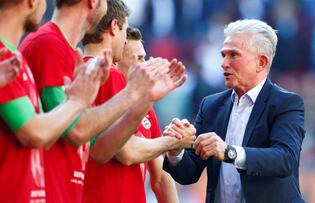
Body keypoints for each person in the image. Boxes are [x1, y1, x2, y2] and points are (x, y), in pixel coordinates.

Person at [19, 0, 187, 202]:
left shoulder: (69, 56)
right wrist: (171, 142)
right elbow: (80, 133)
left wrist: (143, 98)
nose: (125, 43)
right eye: (139, 58)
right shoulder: (53, 45)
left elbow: (99, 150)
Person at [163, 19, 306, 203]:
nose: (224, 63)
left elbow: (285, 158)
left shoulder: (286, 103)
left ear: (261, 62)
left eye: (233, 55)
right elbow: (189, 174)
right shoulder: (211, 105)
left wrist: (230, 152)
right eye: (223, 55)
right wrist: (176, 151)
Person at [81, 2, 193, 201]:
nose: (145, 65)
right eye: (138, 59)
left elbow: (160, 177)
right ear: (115, 60)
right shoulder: (107, 75)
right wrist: (173, 142)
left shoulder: (142, 104)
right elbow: (128, 152)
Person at [0, 0, 106, 202]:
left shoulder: (15, 62)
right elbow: (36, 133)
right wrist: (77, 101)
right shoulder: (7, 56)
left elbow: (47, 137)